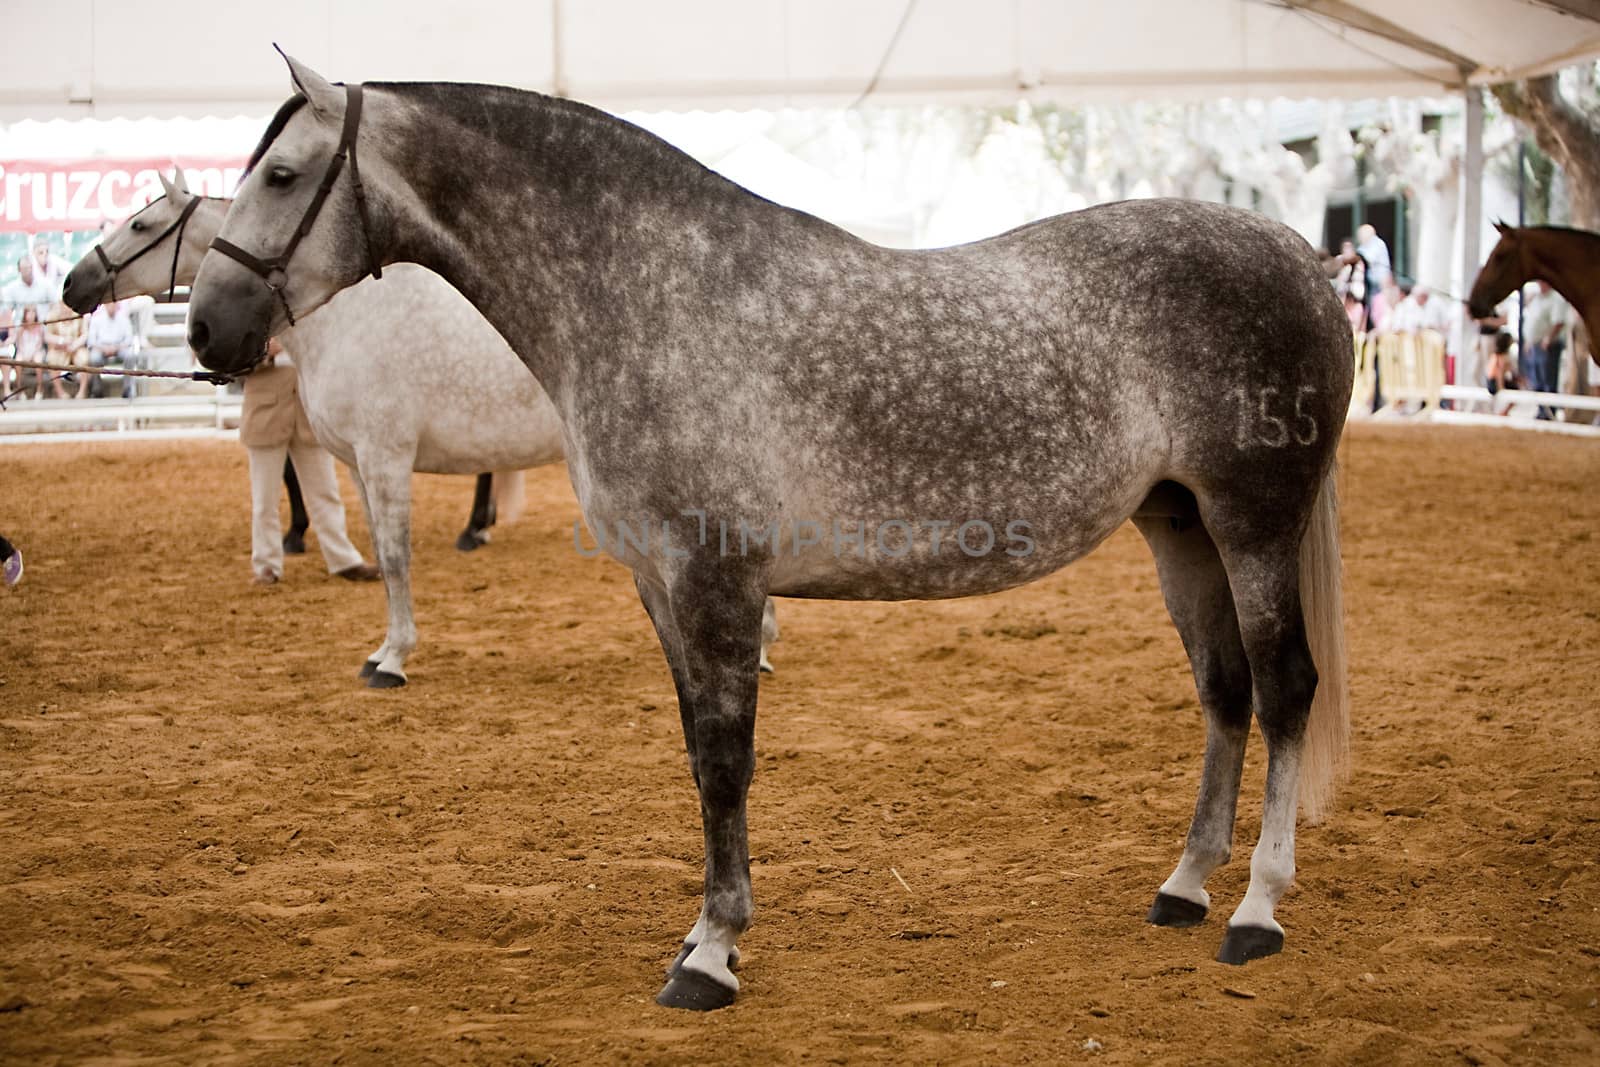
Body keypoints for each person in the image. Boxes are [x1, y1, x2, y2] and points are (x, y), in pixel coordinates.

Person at [240, 338, 379, 586]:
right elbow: (230, 356)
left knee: (325, 492)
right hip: (265, 412)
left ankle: (343, 559)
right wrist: (263, 351)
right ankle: (267, 565)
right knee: (265, 499)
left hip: (308, 410)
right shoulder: (252, 311)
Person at [1522, 280, 1570, 415]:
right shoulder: (1537, 298)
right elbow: (1532, 320)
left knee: (1548, 380)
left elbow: (1558, 322)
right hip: (1535, 345)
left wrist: (1548, 339)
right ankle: (1542, 410)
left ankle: (1549, 413)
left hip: (1548, 345)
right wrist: (1529, 341)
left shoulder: (1556, 298)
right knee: (1537, 380)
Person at [84, 299, 139, 398]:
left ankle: (128, 388)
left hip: (119, 347)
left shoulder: (124, 319)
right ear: (105, 305)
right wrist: (103, 348)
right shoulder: (97, 319)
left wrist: (116, 347)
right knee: (94, 358)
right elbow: (91, 341)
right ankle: (97, 389)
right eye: (109, 304)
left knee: (130, 355)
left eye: (114, 304)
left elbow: (129, 339)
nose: (111, 306)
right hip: (101, 348)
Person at [44, 299, 89, 399]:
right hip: (59, 349)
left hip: (76, 348)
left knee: (84, 359)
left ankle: (82, 392)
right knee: (51, 359)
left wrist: (75, 345)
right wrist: (61, 341)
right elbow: (47, 336)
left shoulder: (79, 315)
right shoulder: (52, 316)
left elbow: (85, 334)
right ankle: (60, 392)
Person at [2, 255, 54, 322]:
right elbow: (8, 312)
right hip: (21, 328)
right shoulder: (11, 288)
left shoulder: (46, 284)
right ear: (19, 270)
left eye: (30, 267)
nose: (28, 271)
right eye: (25, 268)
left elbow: (54, 304)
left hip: (44, 325)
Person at [12, 306, 47, 400]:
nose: (31, 315)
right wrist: (24, 354)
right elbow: (19, 344)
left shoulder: (39, 327)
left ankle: (40, 389)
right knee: (18, 361)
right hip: (23, 351)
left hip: (36, 351)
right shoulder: (21, 328)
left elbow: (40, 344)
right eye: (28, 313)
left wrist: (32, 354)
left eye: (33, 312)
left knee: (38, 361)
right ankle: (19, 389)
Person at [1356, 223, 1392, 289]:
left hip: (1380, 282)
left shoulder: (1377, 243)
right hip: (1368, 282)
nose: (1359, 237)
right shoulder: (1363, 246)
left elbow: (1368, 259)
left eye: (1361, 234)